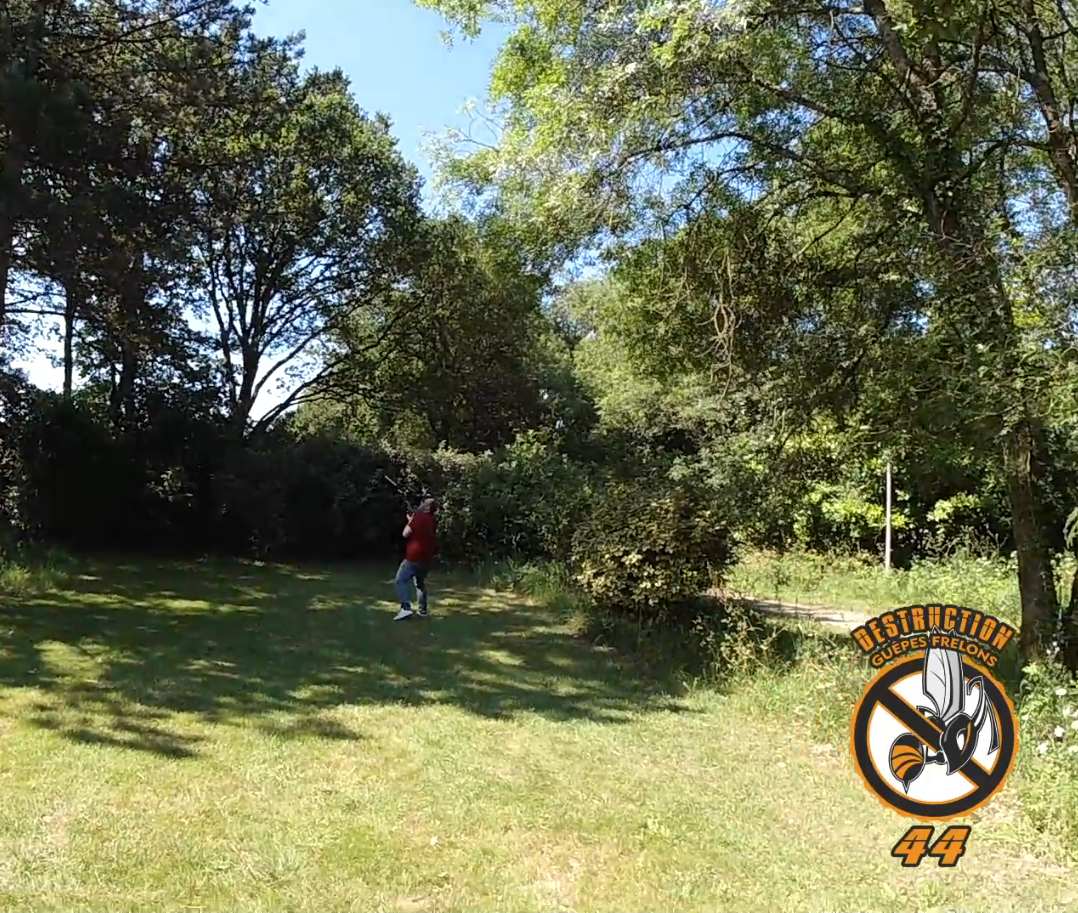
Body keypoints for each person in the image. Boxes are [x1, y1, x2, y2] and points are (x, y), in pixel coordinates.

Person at [393, 497, 438, 621]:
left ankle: (405, 608)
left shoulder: (418, 517)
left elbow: (405, 533)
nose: (421, 504)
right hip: (426, 558)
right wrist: (412, 520)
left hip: (414, 556)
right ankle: (422, 612)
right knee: (420, 584)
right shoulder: (432, 519)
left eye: (424, 503)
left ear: (427, 507)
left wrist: (410, 521)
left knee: (400, 580)